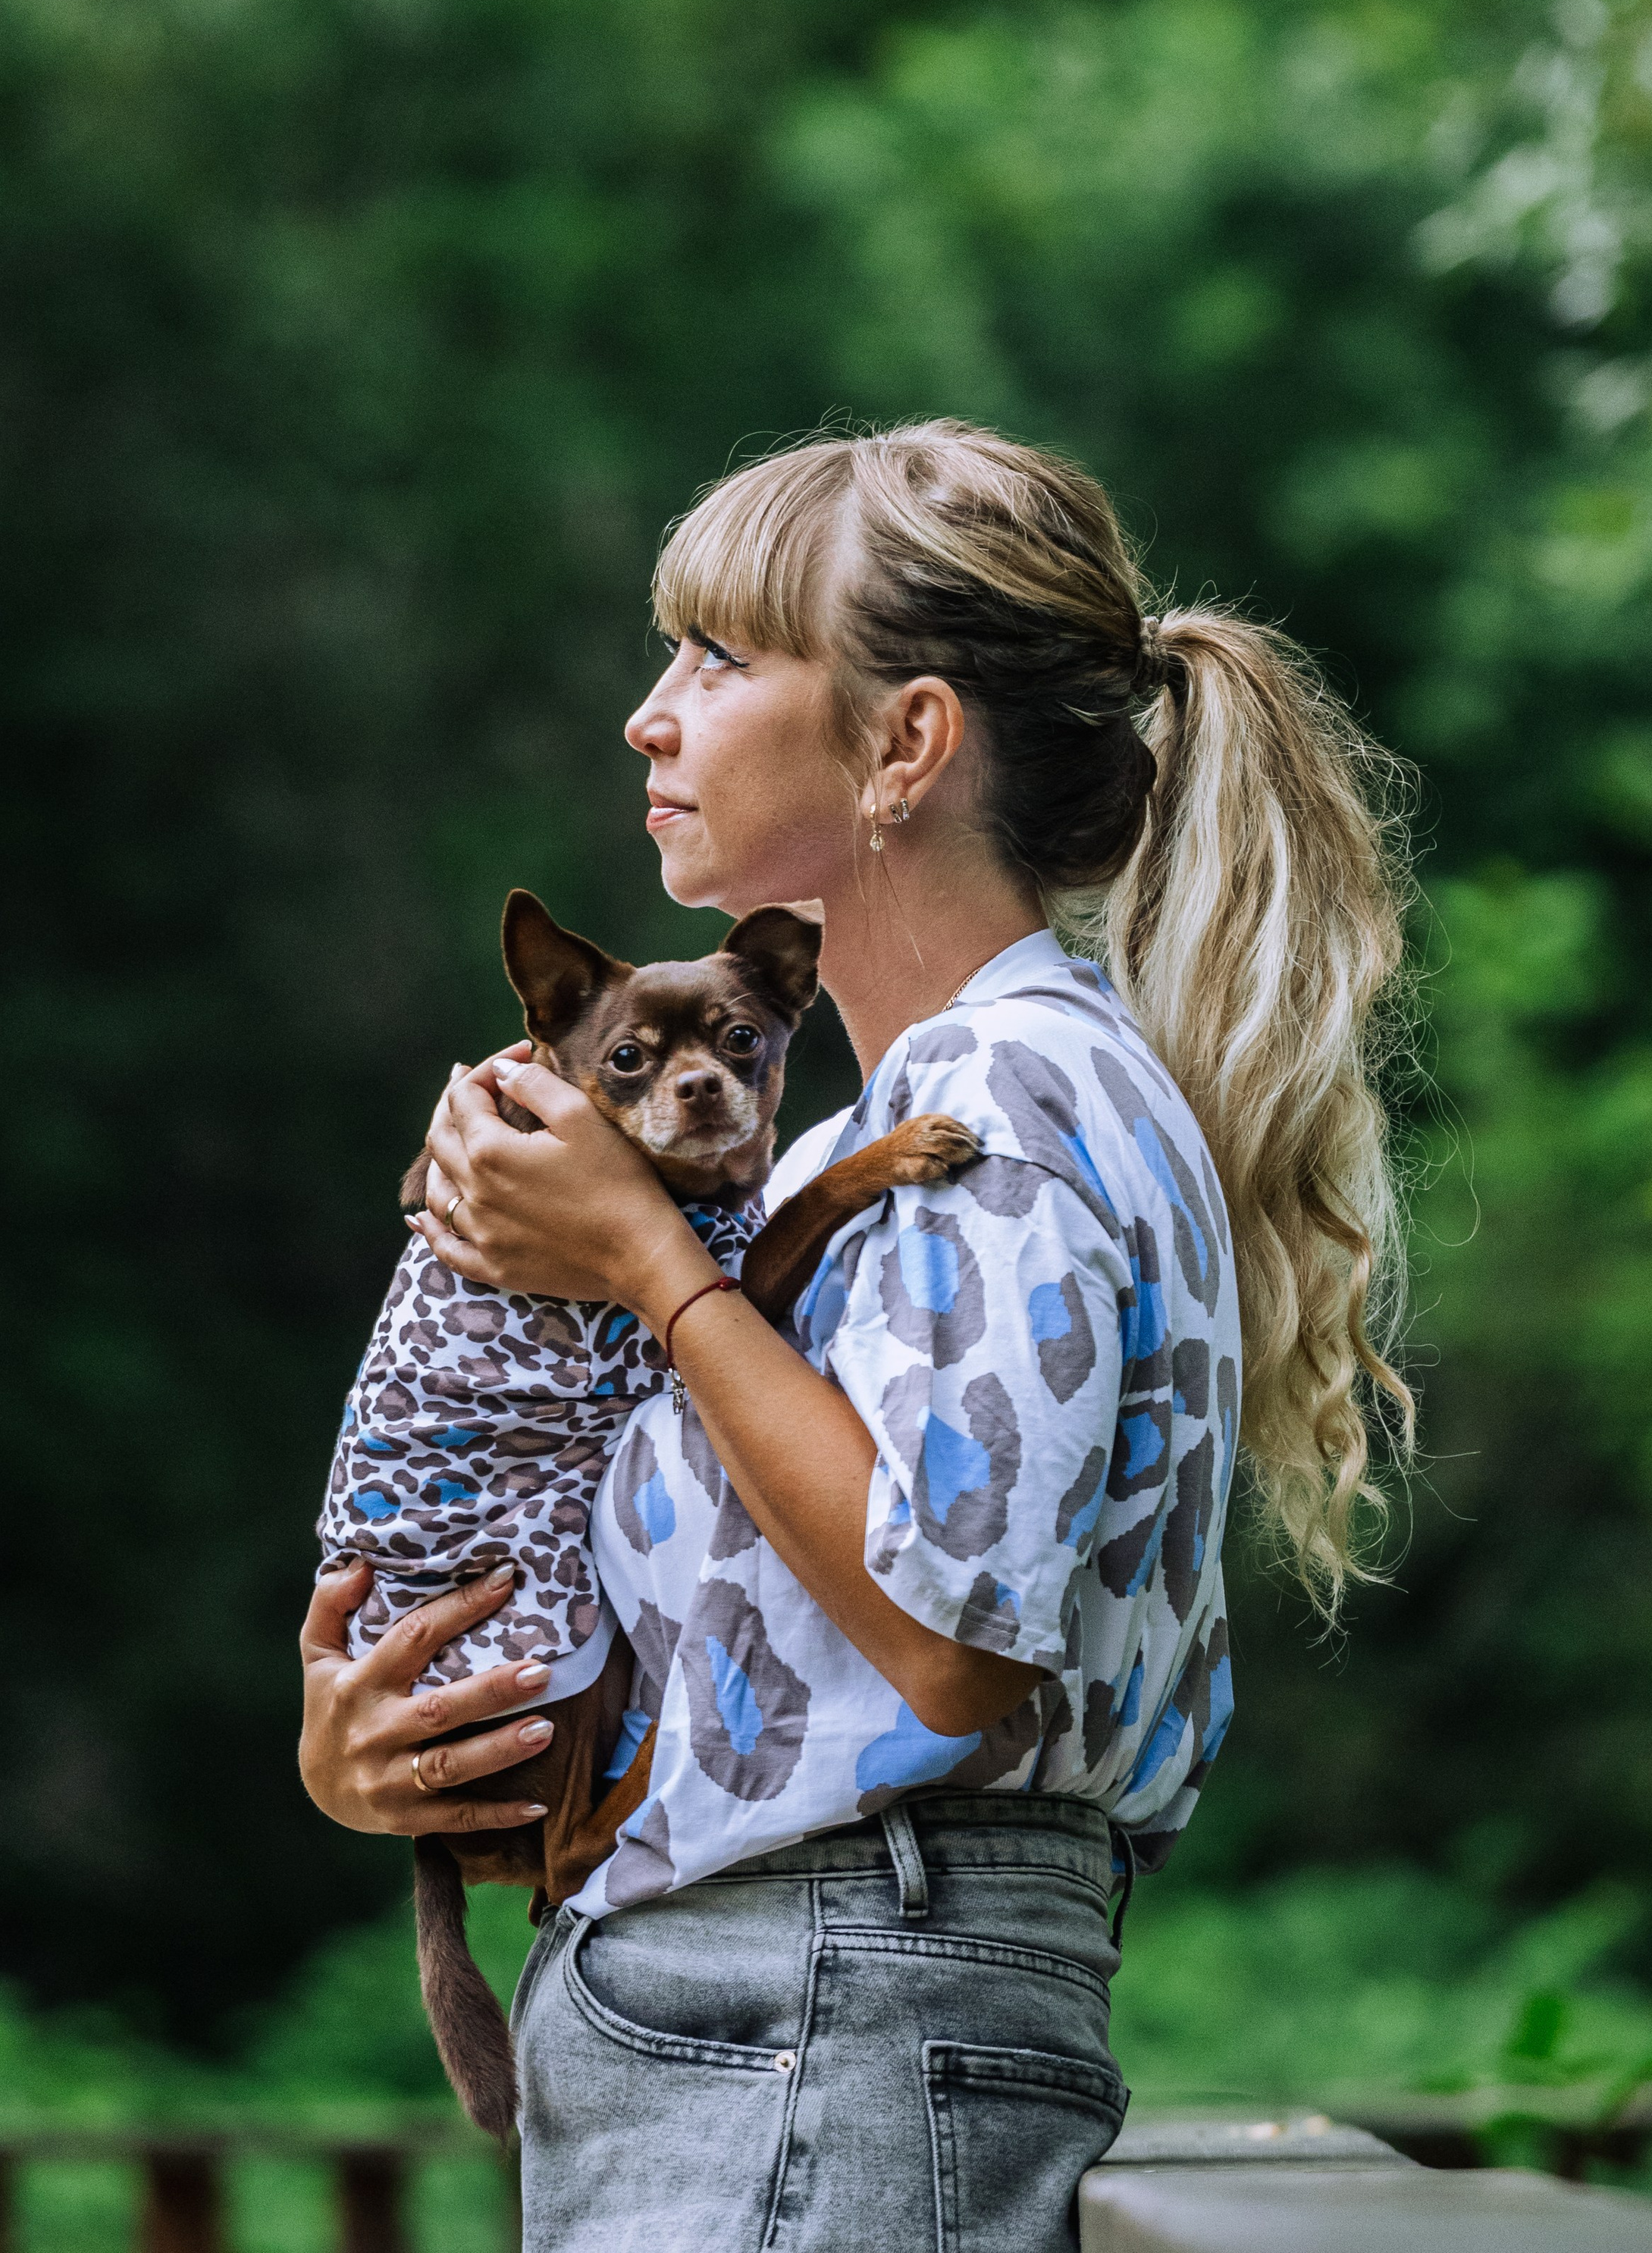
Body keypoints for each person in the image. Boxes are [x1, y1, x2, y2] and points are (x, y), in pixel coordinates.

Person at [299, 420, 1412, 2251]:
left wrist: (653, 1270)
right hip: (779, 2010)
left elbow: (950, 1639)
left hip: (825, 2013)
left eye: (717, 659)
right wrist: (403, 1759)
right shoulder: (860, 1137)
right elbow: (779, 1627)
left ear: (904, 745)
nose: (650, 716)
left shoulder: (1005, 1098)